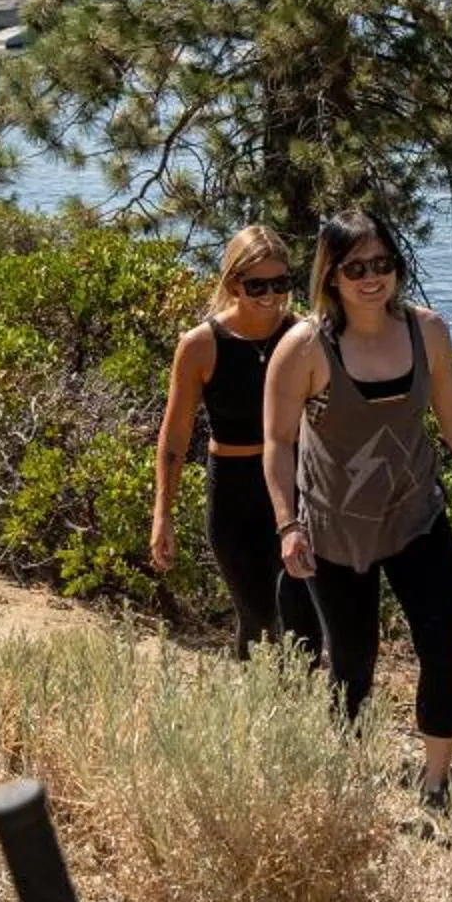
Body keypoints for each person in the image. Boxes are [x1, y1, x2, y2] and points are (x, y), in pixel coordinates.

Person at [263, 208, 452, 843]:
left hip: (415, 517)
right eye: (356, 267)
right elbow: (276, 443)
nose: (372, 278)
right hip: (335, 528)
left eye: (383, 264)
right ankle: (345, 790)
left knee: (444, 651)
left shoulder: (425, 333)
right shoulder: (304, 348)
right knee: (352, 664)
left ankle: (436, 788)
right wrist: (287, 525)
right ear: (332, 275)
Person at [151, 226, 303, 659]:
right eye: (258, 284)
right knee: (257, 615)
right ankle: (253, 712)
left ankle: (300, 712)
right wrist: (163, 512)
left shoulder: (301, 336)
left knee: (298, 615)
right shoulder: (201, 345)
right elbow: (175, 432)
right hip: (234, 494)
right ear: (233, 283)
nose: (271, 295)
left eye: (280, 283)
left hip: (293, 488)